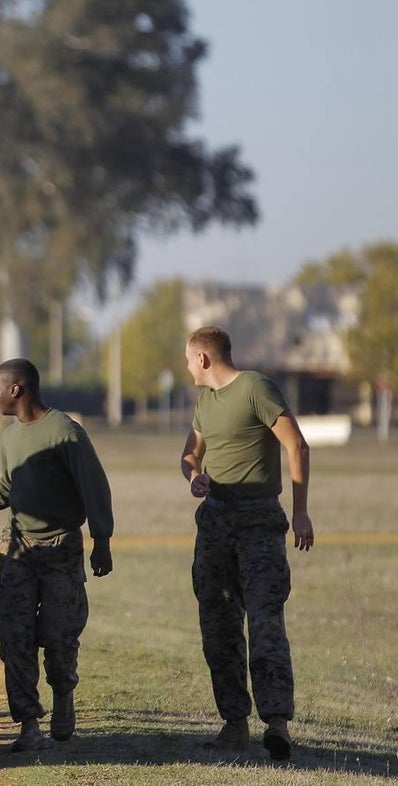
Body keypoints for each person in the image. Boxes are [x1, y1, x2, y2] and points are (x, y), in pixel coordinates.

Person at [0, 358, 114, 752]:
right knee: (15, 638)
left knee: (58, 637)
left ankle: (63, 697)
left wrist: (101, 541)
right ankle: (28, 725)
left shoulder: (65, 433)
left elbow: (95, 488)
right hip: (19, 550)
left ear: (16, 390)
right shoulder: (11, 436)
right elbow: (8, 488)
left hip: (61, 550)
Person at [180, 325, 315, 760]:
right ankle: (233, 723)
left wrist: (299, 511)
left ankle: (277, 723)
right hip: (215, 523)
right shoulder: (205, 401)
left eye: (188, 359)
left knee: (265, 622)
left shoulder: (256, 387)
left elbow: (297, 445)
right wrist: (194, 476)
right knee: (217, 625)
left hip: (258, 522)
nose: (186, 367)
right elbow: (189, 454)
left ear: (203, 358)